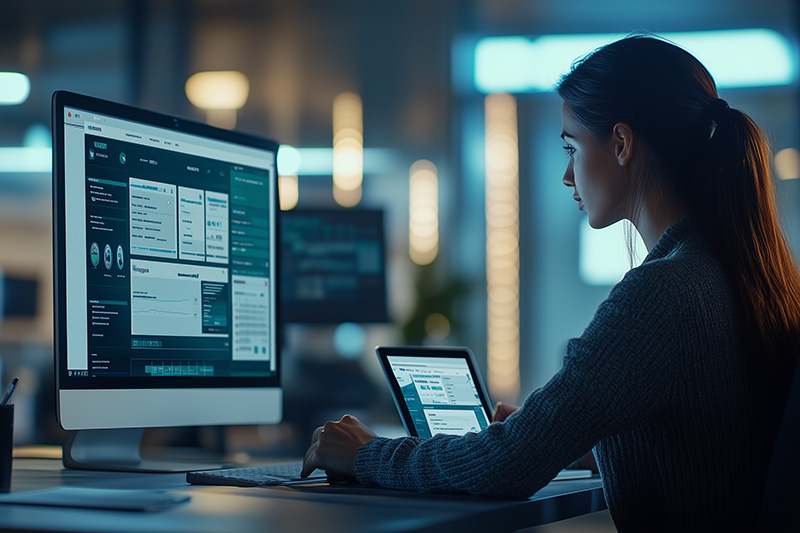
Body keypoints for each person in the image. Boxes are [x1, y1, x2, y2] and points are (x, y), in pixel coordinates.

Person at [300, 35, 800, 531]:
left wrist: (368, 454)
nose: (567, 175)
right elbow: (716, 448)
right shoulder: (733, 269)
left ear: (622, 144)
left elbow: (506, 466)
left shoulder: (661, 293)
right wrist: (581, 437)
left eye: (572, 146)